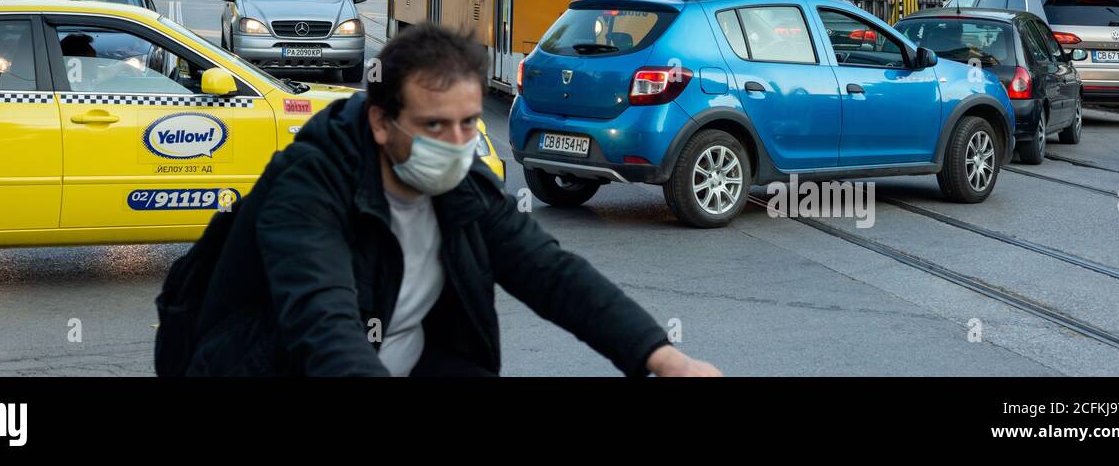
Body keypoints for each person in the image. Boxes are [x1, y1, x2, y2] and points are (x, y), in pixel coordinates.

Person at [181, 23, 721, 377]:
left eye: (467, 123)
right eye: (433, 125)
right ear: (379, 121)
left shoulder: (458, 186)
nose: (456, 144)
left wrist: (662, 356)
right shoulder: (307, 187)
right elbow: (323, 326)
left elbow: (550, 273)